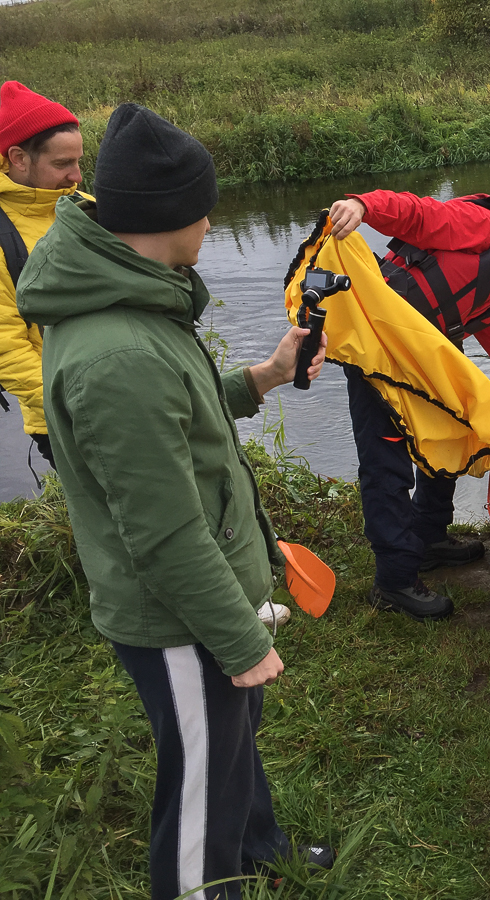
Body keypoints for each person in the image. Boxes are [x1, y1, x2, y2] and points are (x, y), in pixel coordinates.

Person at [17, 103, 332, 900]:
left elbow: (180, 418)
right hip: (175, 616)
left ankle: (259, 846)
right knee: (199, 771)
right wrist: (240, 641)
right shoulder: (118, 352)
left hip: (205, 596)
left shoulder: (140, 294)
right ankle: (204, 884)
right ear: (172, 215)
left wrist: (260, 376)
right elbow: (161, 535)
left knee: (232, 743)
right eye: (206, 207)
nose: (212, 221)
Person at [327, 187, 490, 621]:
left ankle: (428, 537)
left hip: (427, 355)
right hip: (380, 343)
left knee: (453, 436)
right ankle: (394, 582)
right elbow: (420, 215)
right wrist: (364, 206)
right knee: (387, 461)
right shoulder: (482, 226)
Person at [0, 80, 85, 469]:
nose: (77, 176)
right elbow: (7, 347)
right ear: (18, 157)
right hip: (63, 417)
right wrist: (77, 403)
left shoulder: (87, 208)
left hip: (131, 391)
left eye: (79, 161)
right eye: (62, 164)